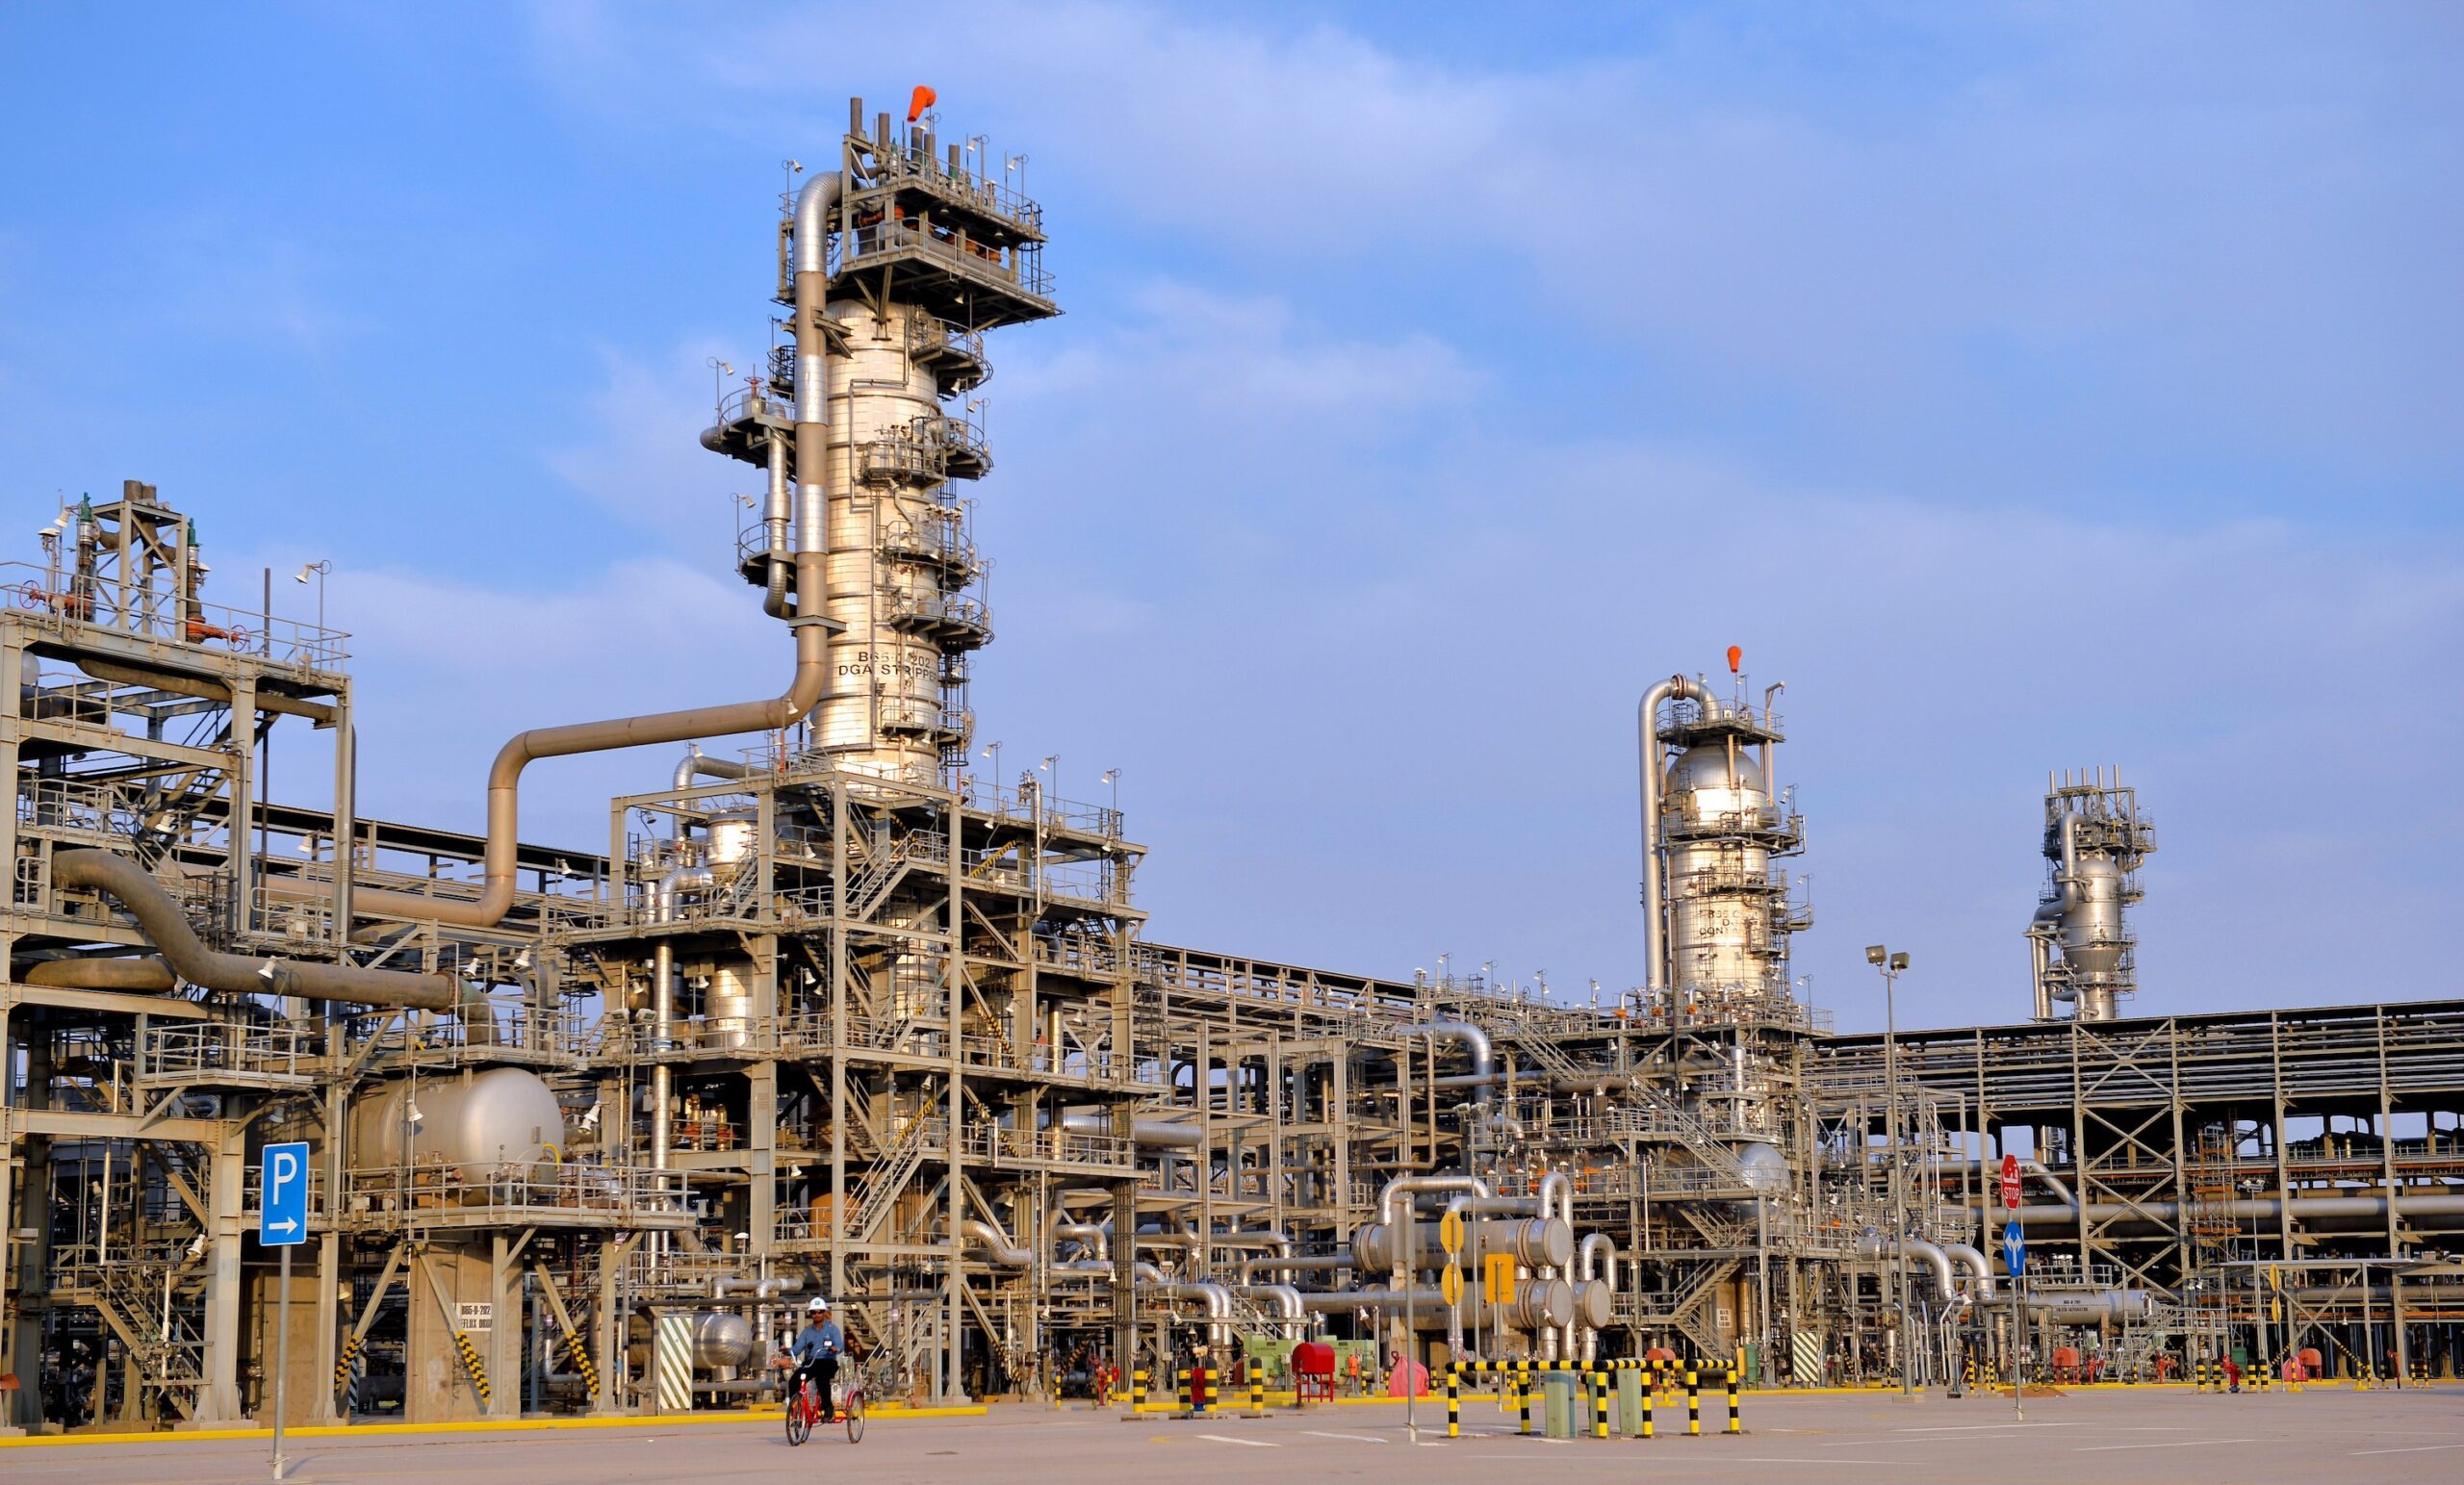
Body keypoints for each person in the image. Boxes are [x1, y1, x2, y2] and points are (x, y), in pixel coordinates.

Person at [781, 1296, 845, 1421]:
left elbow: (840, 1345)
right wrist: (787, 1351)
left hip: (827, 1361)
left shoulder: (832, 1330)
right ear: (810, 1314)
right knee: (794, 1381)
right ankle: (798, 1410)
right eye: (814, 1312)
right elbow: (797, 1349)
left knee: (822, 1380)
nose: (817, 1315)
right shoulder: (807, 1332)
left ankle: (828, 1408)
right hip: (811, 1362)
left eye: (820, 1311)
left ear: (824, 1313)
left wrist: (835, 1348)